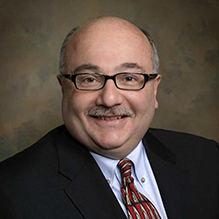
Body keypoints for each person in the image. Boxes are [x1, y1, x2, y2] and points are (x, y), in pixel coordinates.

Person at [0, 16, 218, 219]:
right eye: (89, 79)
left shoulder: (209, 159)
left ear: (154, 90)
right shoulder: (10, 192)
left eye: (130, 78)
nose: (110, 98)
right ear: (63, 89)